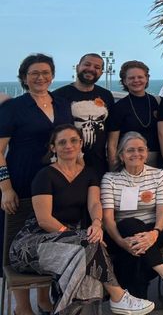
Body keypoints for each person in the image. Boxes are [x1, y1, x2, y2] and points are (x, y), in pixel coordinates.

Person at [10, 125, 155, 315]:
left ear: (81, 144)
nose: (68, 145)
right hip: (32, 246)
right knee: (88, 246)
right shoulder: (44, 175)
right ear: (53, 148)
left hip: (74, 247)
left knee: (85, 254)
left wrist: (96, 223)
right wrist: (76, 239)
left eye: (73, 140)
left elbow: (95, 204)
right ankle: (118, 296)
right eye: (62, 142)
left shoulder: (89, 173)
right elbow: (44, 220)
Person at [1, 54, 72, 315]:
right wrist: (5, 187)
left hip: (55, 177)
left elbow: (68, 140)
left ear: (52, 75)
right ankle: (22, 307)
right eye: (34, 73)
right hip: (21, 176)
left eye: (45, 72)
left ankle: (43, 299)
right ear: (24, 77)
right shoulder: (14, 107)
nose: (40, 77)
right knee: (16, 236)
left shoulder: (63, 104)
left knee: (48, 236)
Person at [101, 132, 163, 301]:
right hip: (120, 233)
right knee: (131, 226)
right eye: (130, 150)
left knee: (135, 250)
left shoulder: (159, 175)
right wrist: (121, 242)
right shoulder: (110, 179)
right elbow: (107, 218)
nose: (136, 154)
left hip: (155, 230)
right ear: (121, 155)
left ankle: (134, 303)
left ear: (146, 153)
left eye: (140, 149)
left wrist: (154, 233)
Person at [52, 53, 116, 178]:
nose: (91, 69)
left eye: (97, 67)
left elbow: (112, 132)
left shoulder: (106, 95)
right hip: (66, 166)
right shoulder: (59, 96)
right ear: (77, 67)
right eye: (87, 64)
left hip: (99, 165)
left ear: (101, 73)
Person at [107, 60, 160, 169]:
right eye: (131, 78)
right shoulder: (119, 107)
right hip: (130, 161)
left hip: (156, 160)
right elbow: (112, 144)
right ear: (125, 82)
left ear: (146, 78)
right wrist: (114, 169)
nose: (136, 80)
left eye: (140, 77)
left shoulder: (156, 102)